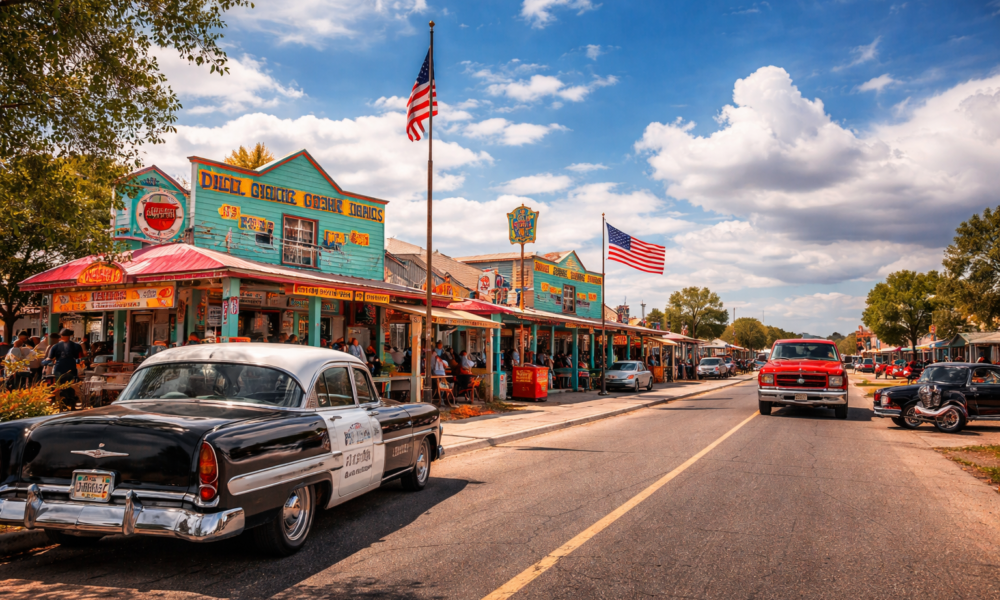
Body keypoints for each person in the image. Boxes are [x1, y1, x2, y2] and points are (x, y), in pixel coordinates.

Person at [45, 329, 84, 407]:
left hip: (69, 367)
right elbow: (50, 357)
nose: (65, 337)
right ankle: (62, 401)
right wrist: (47, 361)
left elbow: (80, 357)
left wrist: (80, 361)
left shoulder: (76, 346)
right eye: (64, 336)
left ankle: (69, 401)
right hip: (61, 367)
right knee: (60, 385)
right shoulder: (56, 346)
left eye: (66, 336)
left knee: (70, 385)